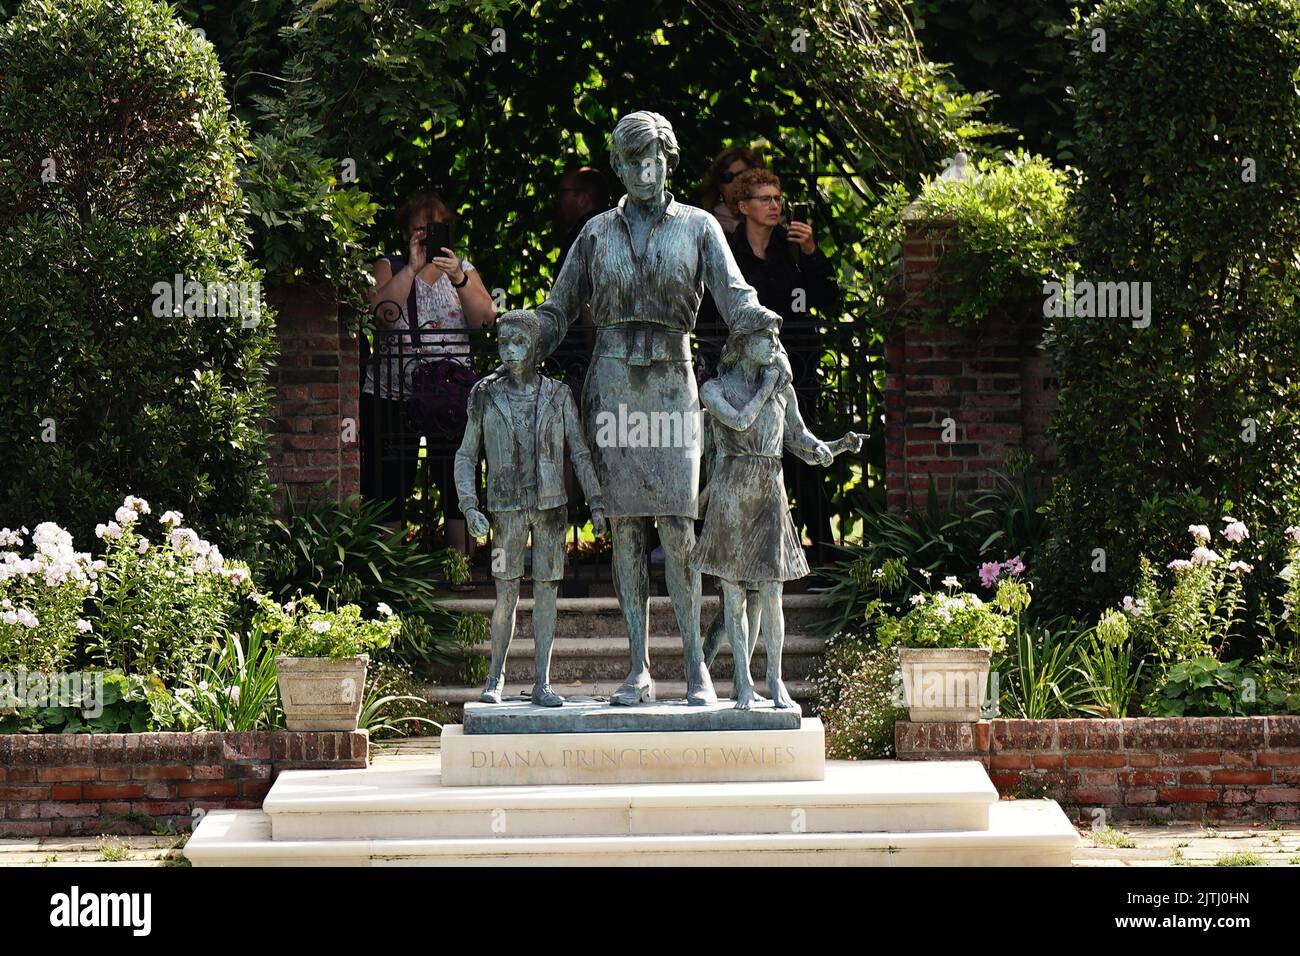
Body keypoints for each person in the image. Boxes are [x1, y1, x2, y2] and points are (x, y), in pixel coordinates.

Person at [533, 110, 784, 707]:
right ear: (617, 166)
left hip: (673, 383)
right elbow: (557, 309)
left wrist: (762, 326)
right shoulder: (595, 233)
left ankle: (697, 666)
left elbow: (735, 296)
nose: (644, 172)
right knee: (624, 528)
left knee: (677, 525)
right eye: (631, 162)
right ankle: (638, 666)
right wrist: (520, 348)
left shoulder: (699, 227)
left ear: (668, 163)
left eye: (654, 160)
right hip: (614, 382)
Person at [691, 316, 862, 709]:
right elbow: (738, 420)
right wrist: (768, 386)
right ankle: (743, 681)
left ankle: (775, 678)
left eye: (776, 338)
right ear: (742, 344)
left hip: (769, 492)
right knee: (733, 596)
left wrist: (835, 447)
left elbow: (801, 440)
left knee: (772, 594)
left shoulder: (782, 393)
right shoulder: (715, 389)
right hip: (733, 493)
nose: (773, 344)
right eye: (765, 337)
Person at [454, 310, 606, 706]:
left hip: (550, 509)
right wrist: (469, 506)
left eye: (519, 342)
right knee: (505, 595)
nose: (510, 350)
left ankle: (542, 681)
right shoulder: (485, 394)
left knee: (545, 594)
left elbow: (581, 452)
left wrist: (597, 504)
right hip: (506, 512)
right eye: (504, 342)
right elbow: (466, 456)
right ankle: (495, 677)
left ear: (536, 347)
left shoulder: (558, 395)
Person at [362, 190, 496, 564]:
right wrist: (412, 268)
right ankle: (390, 575)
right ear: (406, 233)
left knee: (457, 481)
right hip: (392, 394)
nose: (426, 235)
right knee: (389, 482)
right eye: (419, 229)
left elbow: (485, 319)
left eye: (434, 229)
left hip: (449, 397)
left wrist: (458, 279)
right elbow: (382, 314)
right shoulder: (389, 265)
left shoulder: (463, 269)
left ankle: (459, 568)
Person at [728, 167, 840, 564]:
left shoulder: (791, 251)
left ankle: (822, 552)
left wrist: (812, 253)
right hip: (747, 377)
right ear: (744, 207)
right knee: (747, 464)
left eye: (778, 198)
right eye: (765, 199)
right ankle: (744, 553)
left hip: (796, 372)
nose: (775, 205)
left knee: (804, 459)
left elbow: (830, 299)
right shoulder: (730, 255)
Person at [699, 146, 765, 235]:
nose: (736, 182)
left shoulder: (776, 226)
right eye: (727, 177)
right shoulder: (706, 228)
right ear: (720, 186)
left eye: (743, 175)